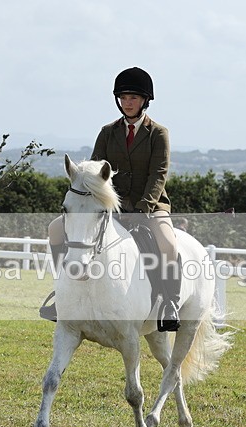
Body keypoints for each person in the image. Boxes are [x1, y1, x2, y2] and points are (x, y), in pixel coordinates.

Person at [41, 66, 181, 331]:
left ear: (144, 101)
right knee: (55, 229)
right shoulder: (107, 132)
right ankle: (63, 293)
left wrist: (143, 207)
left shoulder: (158, 134)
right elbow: (94, 170)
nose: (128, 103)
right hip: (108, 207)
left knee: (168, 245)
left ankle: (170, 303)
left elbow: (158, 174)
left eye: (134, 98)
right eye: (124, 98)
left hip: (149, 207)